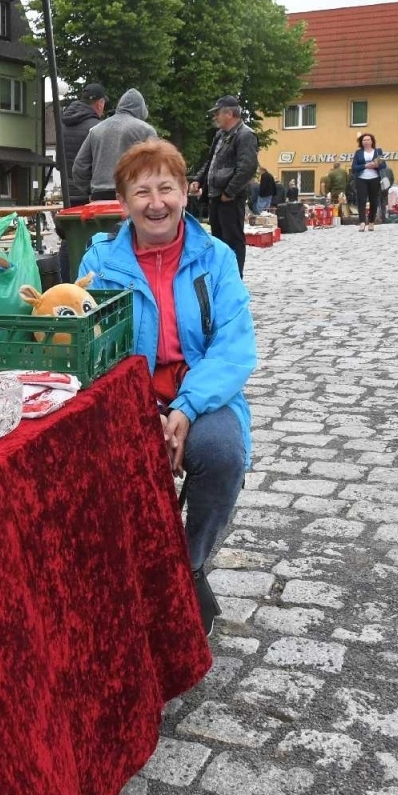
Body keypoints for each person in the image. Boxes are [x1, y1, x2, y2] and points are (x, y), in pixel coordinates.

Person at [78, 138, 256, 636]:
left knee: (222, 452)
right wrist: (139, 410)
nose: (155, 203)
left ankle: (191, 564)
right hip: (124, 399)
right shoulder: (99, 263)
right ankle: (125, 578)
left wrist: (185, 407)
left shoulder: (215, 258)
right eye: (141, 192)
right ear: (124, 202)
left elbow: (234, 347)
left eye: (166, 188)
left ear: (185, 192)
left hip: (199, 394)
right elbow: (88, 346)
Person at [192, 94, 258, 276]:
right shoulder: (220, 135)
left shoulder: (245, 135)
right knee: (218, 241)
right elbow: (210, 162)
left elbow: (247, 167)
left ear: (229, 113)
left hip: (230, 198)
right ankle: (221, 277)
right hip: (216, 196)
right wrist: (198, 180)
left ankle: (235, 278)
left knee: (233, 240)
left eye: (217, 113)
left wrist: (229, 192)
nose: (215, 117)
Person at [73, 88, 157, 202]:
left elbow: (79, 166)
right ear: (141, 110)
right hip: (132, 194)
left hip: (99, 196)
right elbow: (156, 166)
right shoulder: (145, 130)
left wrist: (91, 189)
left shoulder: (96, 130)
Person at [59, 83, 108, 206]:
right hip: (89, 194)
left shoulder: (62, 125)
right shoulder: (98, 127)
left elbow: (59, 162)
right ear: (99, 103)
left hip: (67, 192)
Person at [349, 132, 386, 232]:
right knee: (361, 201)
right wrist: (365, 166)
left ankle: (371, 222)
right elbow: (354, 167)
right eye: (364, 140)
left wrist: (375, 165)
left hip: (375, 178)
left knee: (374, 201)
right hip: (362, 178)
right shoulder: (358, 153)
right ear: (361, 142)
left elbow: (384, 165)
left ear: (372, 141)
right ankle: (362, 222)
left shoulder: (378, 151)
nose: (366, 141)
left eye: (368, 140)